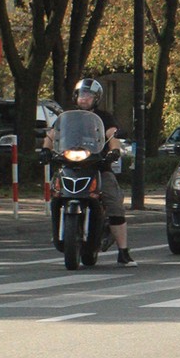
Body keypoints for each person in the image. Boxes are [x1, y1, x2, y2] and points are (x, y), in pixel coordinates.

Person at [47, 78, 134, 265]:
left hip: (98, 166)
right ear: (75, 96)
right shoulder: (67, 117)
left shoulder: (104, 118)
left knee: (113, 202)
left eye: (89, 95)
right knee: (55, 192)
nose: (84, 98)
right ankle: (59, 228)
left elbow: (112, 134)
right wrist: (45, 150)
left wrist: (114, 151)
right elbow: (52, 134)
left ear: (96, 98)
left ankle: (123, 252)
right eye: (81, 94)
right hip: (70, 165)